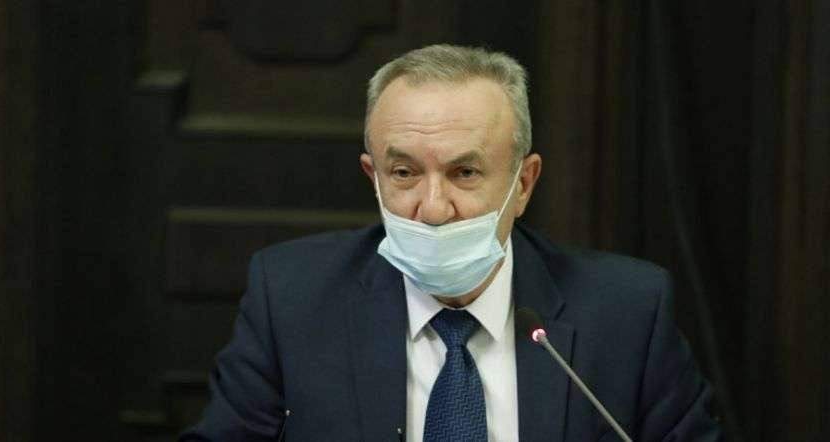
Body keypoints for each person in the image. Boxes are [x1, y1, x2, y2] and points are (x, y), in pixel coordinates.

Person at [180, 44, 721, 441]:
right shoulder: (293, 298)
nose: (434, 208)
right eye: (404, 173)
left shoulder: (627, 311)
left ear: (523, 184)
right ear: (374, 178)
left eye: (464, 173)